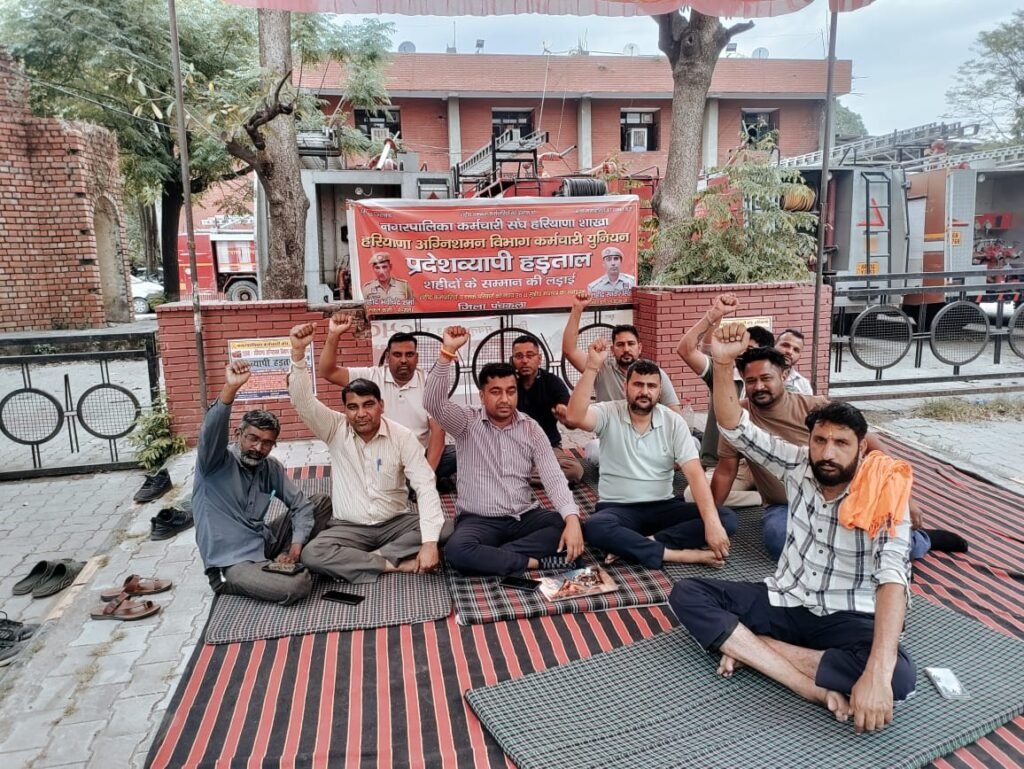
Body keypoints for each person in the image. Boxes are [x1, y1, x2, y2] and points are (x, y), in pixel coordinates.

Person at [670, 321, 917, 733]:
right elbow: (734, 426)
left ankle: (755, 649)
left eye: (841, 443)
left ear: (861, 448)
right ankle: (805, 685)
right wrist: (723, 364)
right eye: (820, 441)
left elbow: (893, 578)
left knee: (899, 678)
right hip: (787, 598)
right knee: (688, 594)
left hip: (845, 612)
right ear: (810, 441)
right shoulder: (799, 463)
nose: (827, 453)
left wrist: (876, 672)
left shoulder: (882, 488)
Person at [712, 345, 962, 561]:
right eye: (751, 381)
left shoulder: (816, 408)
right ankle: (842, 555)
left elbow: (874, 449)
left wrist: (906, 499)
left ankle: (921, 540)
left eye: (766, 378)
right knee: (779, 539)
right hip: (785, 505)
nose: (759, 386)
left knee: (894, 545)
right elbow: (725, 472)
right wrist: (710, 518)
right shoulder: (738, 419)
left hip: (842, 497)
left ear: (784, 375)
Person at [288, 323, 450, 583]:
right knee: (312, 553)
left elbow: (425, 485)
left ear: (381, 405)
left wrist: (430, 543)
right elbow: (303, 402)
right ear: (345, 410)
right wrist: (298, 356)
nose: (361, 413)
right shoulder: (334, 429)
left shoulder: (402, 436)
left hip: (395, 523)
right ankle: (392, 564)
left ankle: (361, 560)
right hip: (349, 527)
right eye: (353, 407)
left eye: (368, 405)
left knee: (446, 528)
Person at [424, 326, 584, 576]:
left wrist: (572, 519)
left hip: (524, 516)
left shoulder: (531, 428)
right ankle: (536, 562)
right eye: (495, 392)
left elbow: (553, 477)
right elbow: (433, 403)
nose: (504, 399)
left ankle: (495, 556)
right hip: (479, 520)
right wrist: (447, 352)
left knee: (569, 525)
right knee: (456, 550)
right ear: (482, 396)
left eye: (510, 391)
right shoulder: (466, 422)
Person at [566, 338, 736, 568]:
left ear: (659, 390)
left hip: (663, 506)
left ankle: (644, 544)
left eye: (651, 386)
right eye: (638, 385)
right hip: (618, 508)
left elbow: (695, 475)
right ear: (626, 387)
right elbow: (574, 417)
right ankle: (679, 555)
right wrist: (592, 367)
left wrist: (712, 522)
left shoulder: (673, 421)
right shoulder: (608, 412)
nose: (644, 392)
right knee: (596, 527)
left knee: (725, 518)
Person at [193, 360, 332, 605]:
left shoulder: (269, 467)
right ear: (238, 434)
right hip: (232, 563)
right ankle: (274, 573)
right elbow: (211, 431)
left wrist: (295, 549)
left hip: (263, 543)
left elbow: (301, 505)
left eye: (267, 443)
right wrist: (230, 389)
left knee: (320, 502)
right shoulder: (214, 463)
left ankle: (284, 562)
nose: (258, 448)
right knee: (297, 584)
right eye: (253, 439)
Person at [318, 311, 455, 484]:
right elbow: (328, 372)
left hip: (419, 456)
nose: (403, 360)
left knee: (456, 455)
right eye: (397, 355)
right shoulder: (371, 376)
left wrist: (426, 476)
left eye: (409, 354)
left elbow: (438, 431)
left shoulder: (429, 382)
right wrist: (334, 334)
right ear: (388, 357)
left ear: (416, 358)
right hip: (384, 456)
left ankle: (421, 481)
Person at [563, 293, 684, 464]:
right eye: (620, 345)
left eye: (631, 344)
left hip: (649, 440)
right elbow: (569, 350)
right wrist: (577, 309)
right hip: (612, 442)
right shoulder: (602, 368)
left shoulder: (655, 374)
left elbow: (675, 415)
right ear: (612, 350)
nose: (626, 349)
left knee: (691, 444)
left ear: (639, 348)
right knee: (594, 450)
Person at [511, 334, 584, 484]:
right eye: (519, 356)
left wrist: (564, 414)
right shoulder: (508, 384)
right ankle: (533, 474)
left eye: (530, 355)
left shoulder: (552, 382)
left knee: (574, 470)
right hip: (513, 449)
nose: (524, 360)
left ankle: (515, 476)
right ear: (512, 360)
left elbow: (571, 420)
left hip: (548, 447)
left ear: (539, 359)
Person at [776, 328, 813, 394]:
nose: (790, 352)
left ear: (799, 356)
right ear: (774, 345)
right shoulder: (757, 373)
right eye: (785, 345)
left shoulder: (804, 385)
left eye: (796, 350)